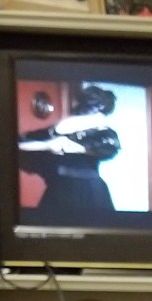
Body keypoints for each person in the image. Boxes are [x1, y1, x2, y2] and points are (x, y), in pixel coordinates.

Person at [18, 85, 120, 218]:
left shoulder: (104, 133)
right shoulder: (59, 130)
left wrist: (73, 146)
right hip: (61, 190)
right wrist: (48, 145)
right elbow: (19, 144)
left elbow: (108, 147)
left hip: (92, 192)